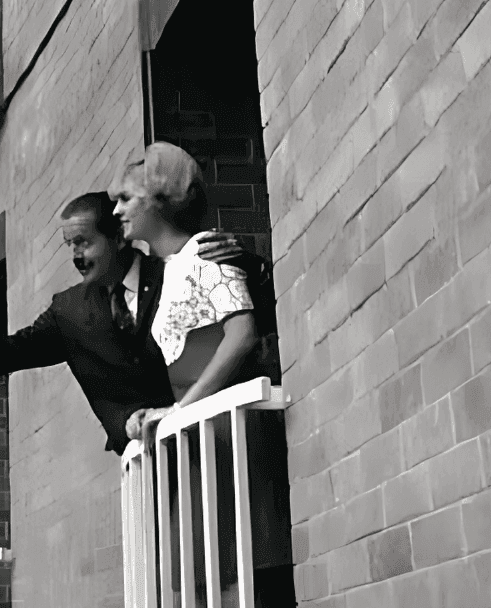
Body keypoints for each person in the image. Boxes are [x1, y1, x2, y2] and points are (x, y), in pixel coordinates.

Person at [0, 191, 252, 456]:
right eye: (69, 245)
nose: (76, 255)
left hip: (223, 440)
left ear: (118, 237)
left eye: (84, 242)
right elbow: (1, 357)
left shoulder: (176, 270)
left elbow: (241, 315)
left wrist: (243, 259)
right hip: (151, 470)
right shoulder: (68, 311)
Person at [109, 143, 293, 608]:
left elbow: (242, 334)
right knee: (203, 576)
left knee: (243, 571)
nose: (117, 210)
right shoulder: (165, 272)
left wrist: (181, 409)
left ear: (160, 198)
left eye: (126, 199)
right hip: (199, 441)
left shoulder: (206, 252)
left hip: (229, 432)